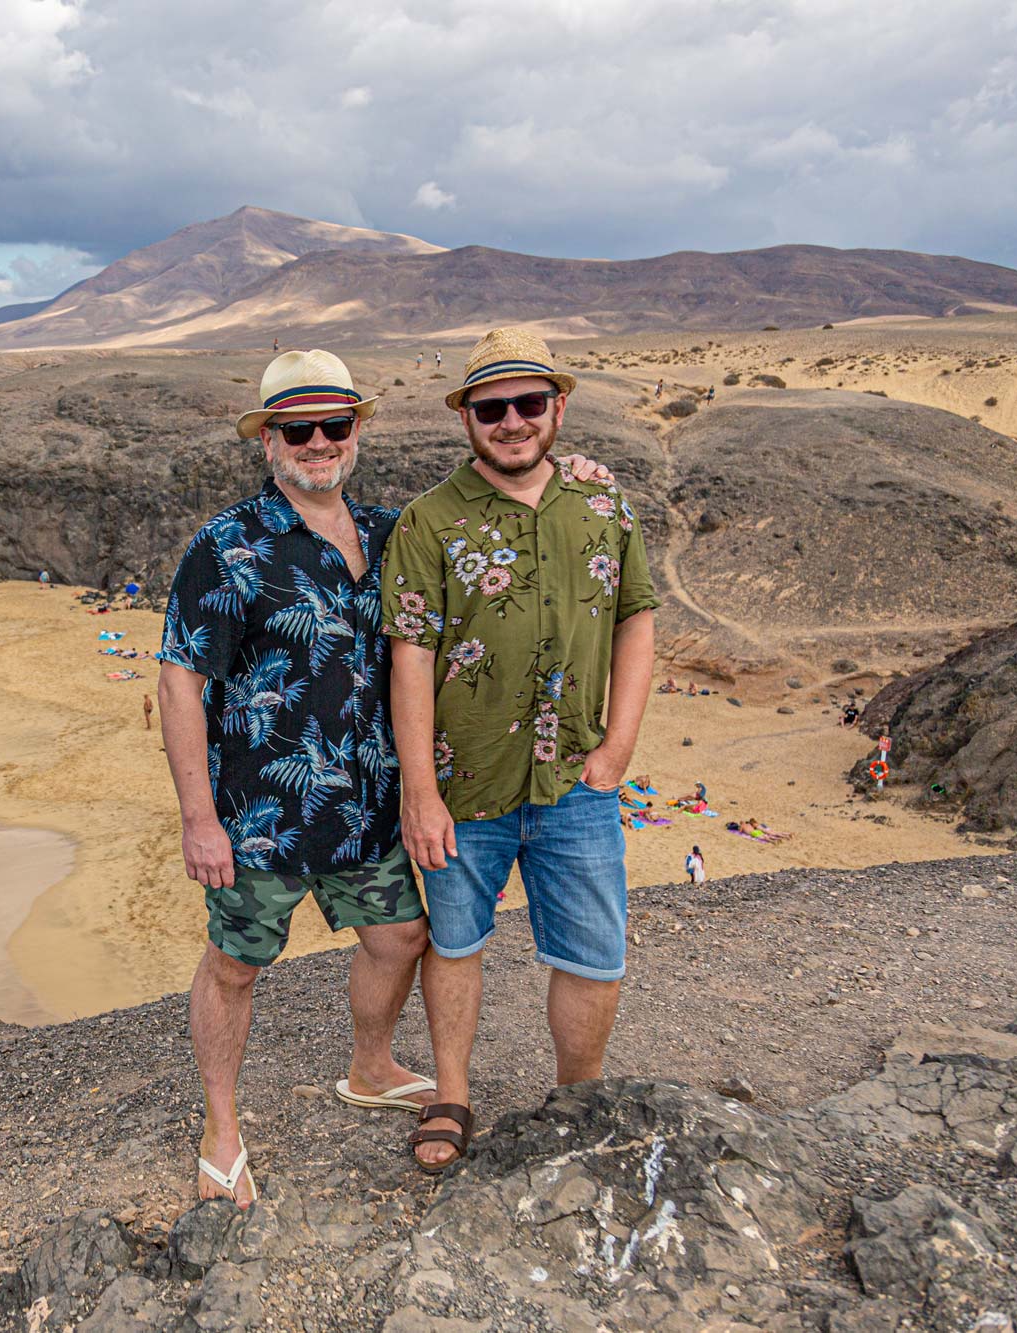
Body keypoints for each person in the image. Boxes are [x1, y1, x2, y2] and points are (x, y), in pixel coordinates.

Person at [157, 348, 432, 1209]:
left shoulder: (395, 536)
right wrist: (199, 820)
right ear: (269, 441)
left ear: (356, 433)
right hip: (259, 816)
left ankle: (370, 1064)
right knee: (236, 964)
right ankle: (221, 1127)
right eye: (297, 428)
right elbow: (180, 681)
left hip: (368, 809)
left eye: (333, 425)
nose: (318, 442)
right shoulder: (226, 547)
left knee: (399, 938)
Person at [384, 327, 659, 1173]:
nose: (511, 421)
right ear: (466, 417)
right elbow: (411, 656)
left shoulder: (604, 506)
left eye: (528, 403)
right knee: (456, 942)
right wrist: (420, 792)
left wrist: (617, 747)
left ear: (558, 408)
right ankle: (452, 1093)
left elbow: (637, 618)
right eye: (491, 407)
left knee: (592, 951)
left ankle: (579, 1098)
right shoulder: (429, 520)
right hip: (466, 782)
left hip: (575, 776)